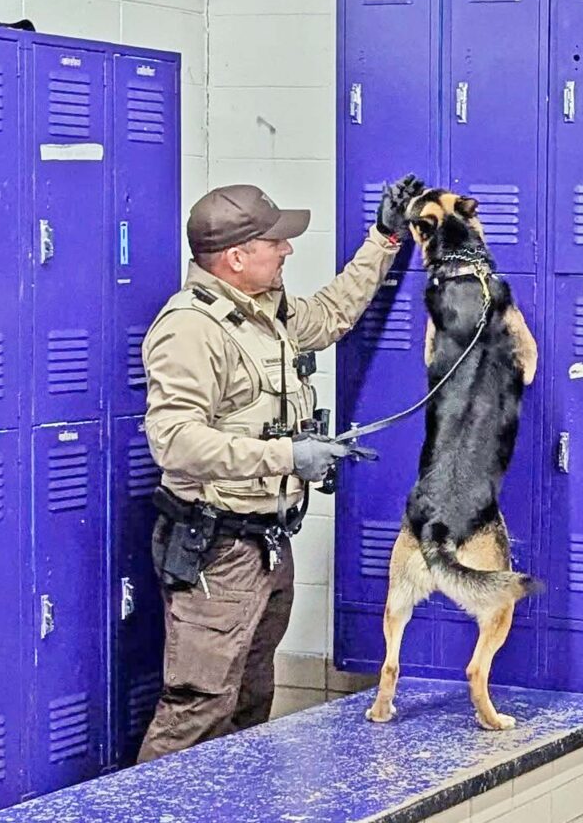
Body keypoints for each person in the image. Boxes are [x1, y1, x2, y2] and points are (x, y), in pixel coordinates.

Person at [137, 175, 423, 762]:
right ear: (237, 257)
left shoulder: (264, 311)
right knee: (198, 708)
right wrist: (288, 456)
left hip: (266, 544)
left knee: (248, 700)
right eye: (276, 242)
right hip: (216, 549)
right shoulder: (191, 327)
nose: (287, 249)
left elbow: (331, 316)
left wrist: (385, 239)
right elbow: (174, 441)